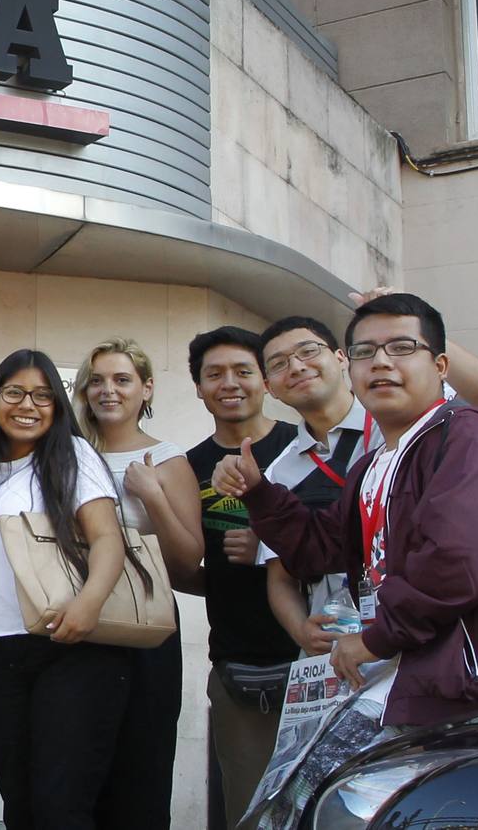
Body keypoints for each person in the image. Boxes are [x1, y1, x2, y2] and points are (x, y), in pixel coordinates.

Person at [216, 293, 478, 725]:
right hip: (408, 682)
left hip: (473, 690)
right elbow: (320, 548)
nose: (380, 362)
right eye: (366, 352)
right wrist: (258, 491)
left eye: (401, 348)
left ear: (440, 367)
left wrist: (376, 639)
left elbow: (457, 566)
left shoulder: (472, 438)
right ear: (352, 366)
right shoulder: (373, 463)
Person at [253, 302, 478, 666]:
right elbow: (303, 557)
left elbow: (457, 565)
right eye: (279, 364)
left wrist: (400, 313)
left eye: (308, 351)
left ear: (340, 359)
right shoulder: (299, 469)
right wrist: (254, 492)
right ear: (270, 387)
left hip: (447, 657)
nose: (296, 367)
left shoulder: (449, 432)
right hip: (354, 643)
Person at [0, 350, 143, 830]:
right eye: (14, 392)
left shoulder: (72, 455)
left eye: (42, 395)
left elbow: (106, 538)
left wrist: (88, 604)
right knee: (19, 803)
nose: (26, 405)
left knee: (62, 807)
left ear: (58, 404)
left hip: (70, 647)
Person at [72, 338, 201, 829]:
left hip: (144, 632)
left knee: (140, 775)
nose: (108, 390)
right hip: (76, 628)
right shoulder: (68, 455)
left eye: (122, 379)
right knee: (79, 775)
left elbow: (189, 562)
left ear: (146, 389)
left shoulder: (165, 459)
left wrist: (153, 497)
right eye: (98, 380)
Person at [182, 325, 301, 828]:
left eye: (242, 371)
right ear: (200, 388)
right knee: (250, 812)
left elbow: (346, 546)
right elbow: (187, 567)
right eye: (215, 374)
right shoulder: (189, 467)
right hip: (237, 665)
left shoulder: (302, 448)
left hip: (320, 659)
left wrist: (267, 549)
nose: (229, 383)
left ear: (266, 381)